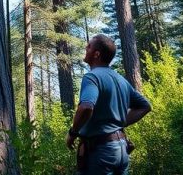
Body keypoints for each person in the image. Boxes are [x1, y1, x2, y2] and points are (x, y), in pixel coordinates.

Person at [65, 34, 152, 175]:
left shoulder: (91, 77)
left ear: (96, 54)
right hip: (121, 150)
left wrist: (72, 133)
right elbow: (145, 106)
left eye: (89, 46)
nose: (86, 48)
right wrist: (120, 124)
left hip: (101, 154)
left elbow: (86, 107)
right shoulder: (121, 80)